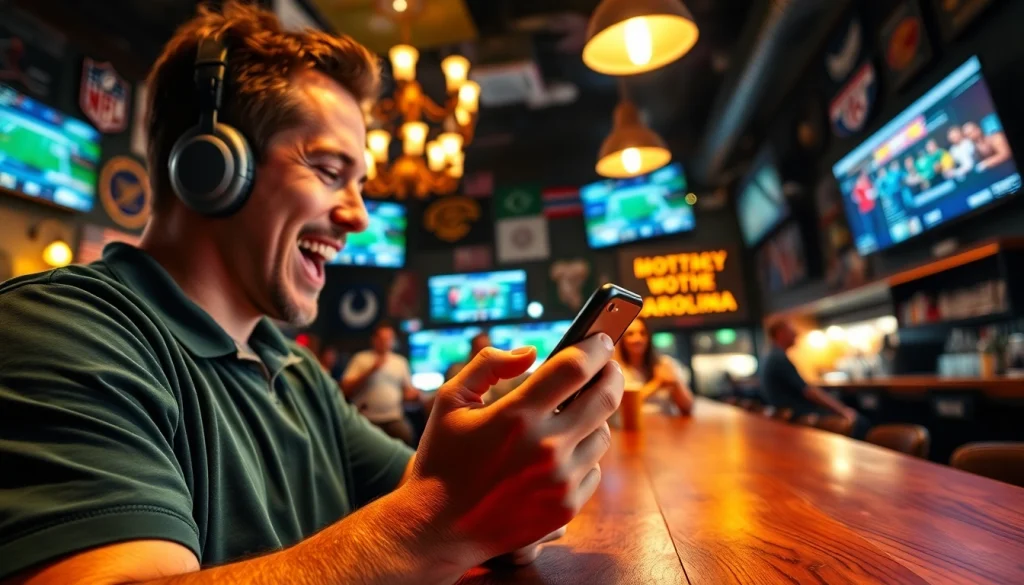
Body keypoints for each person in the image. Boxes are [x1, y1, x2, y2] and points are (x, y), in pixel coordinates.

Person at [0, 4, 624, 584]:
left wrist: (506, 492)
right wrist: (438, 525)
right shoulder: (59, 330)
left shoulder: (293, 369)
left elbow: (434, 490)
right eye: (329, 172)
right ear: (213, 167)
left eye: (360, 184)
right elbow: (431, 515)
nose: (357, 216)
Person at [761, 320, 859, 426]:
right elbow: (808, 391)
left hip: (787, 418)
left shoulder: (769, 357)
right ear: (780, 333)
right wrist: (843, 410)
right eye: (791, 331)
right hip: (799, 418)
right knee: (859, 421)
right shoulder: (778, 358)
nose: (796, 334)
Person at [341, 321, 420, 445]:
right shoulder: (361, 358)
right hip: (367, 418)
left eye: (389, 338)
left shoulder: (400, 362)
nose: (385, 342)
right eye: (382, 338)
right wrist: (370, 371)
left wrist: (416, 395)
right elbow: (345, 388)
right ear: (374, 340)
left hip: (393, 417)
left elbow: (407, 392)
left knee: (409, 437)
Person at [613, 318, 694, 416]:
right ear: (622, 340)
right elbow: (623, 405)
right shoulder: (616, 370)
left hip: (666, 427)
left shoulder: (665, 363)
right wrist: (657, 384)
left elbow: (688, 407)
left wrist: (675, 383)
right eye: (630, 334)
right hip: (632, 428)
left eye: (642, 333)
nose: (638, 338)